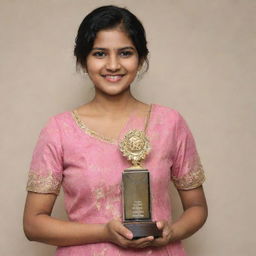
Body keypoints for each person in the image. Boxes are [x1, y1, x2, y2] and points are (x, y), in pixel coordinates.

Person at [23, 5, 207, 256]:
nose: (112, 65)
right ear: (82, 59)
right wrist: (105, 232)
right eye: (99, 53)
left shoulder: (169, 123)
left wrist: (172, 232)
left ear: (141, 58)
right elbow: (33, 225)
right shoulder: (59, 130)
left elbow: (196, 207)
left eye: (125, 53)